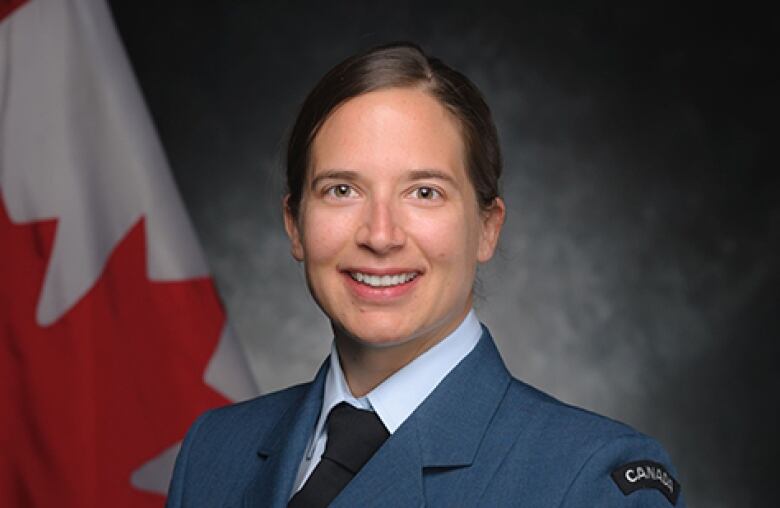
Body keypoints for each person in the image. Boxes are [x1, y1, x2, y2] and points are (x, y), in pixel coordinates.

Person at [166, 42, 686, 507]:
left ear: (487, 228)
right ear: (295, 225)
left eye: (424, 192)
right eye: (341, 190)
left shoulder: (585, 481)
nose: (381, 234)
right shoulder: (215, 451)